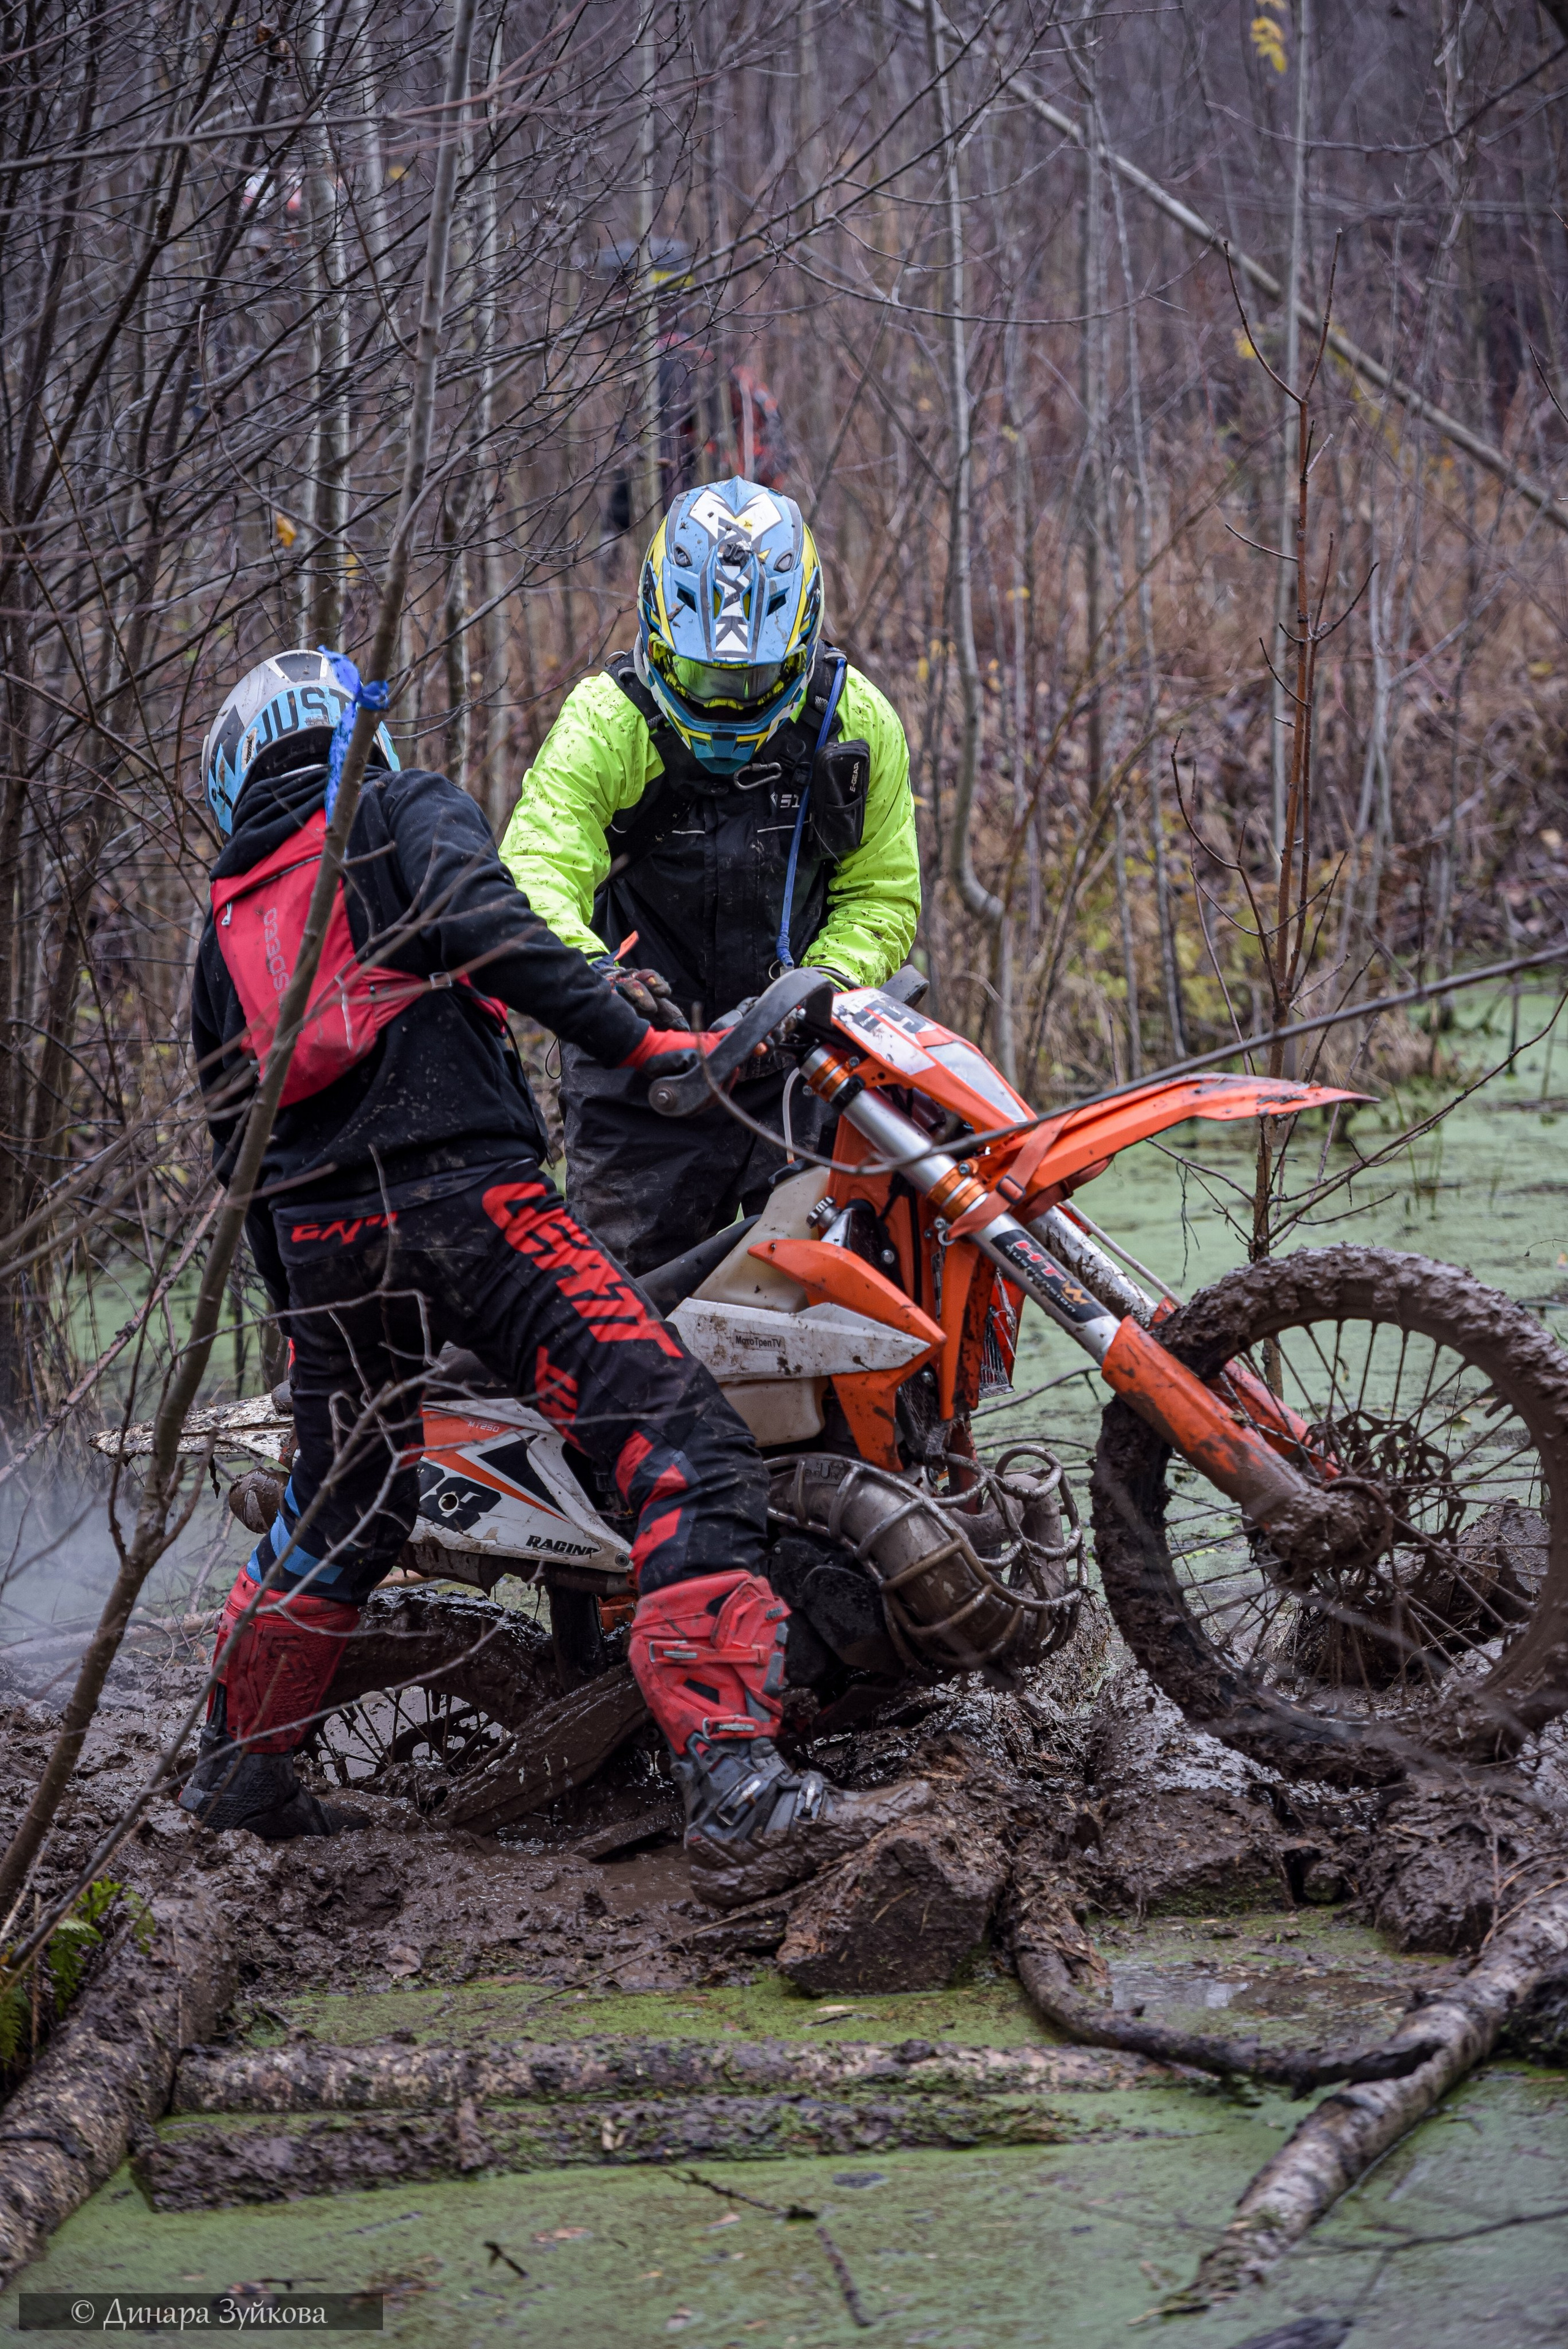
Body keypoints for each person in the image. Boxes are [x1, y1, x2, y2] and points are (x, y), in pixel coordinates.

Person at [180, 647, 923, 1904]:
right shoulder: (402, 808)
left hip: (318, 1250)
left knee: (342, 1495)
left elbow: (236, 1162)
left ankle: (236, 1776)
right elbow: (488, 926)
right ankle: (739, 1787)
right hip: (474, 1207)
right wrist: (632, 1034)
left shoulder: (224, 926)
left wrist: (295, 1313)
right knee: (686, 1435)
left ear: (235, 775)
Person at [500, 477, 921, 1275]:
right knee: (626, 1323)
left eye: (752, 682)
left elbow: (882, 893)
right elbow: (534, 870)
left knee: (838, 1300)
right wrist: (594, 984)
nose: (727, 706)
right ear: (657, 638)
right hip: (640, 1074)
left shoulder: (856, 726)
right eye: (703, 678)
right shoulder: (607, 721)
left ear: (799, 648)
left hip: (801, 1070)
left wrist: (820, 987)